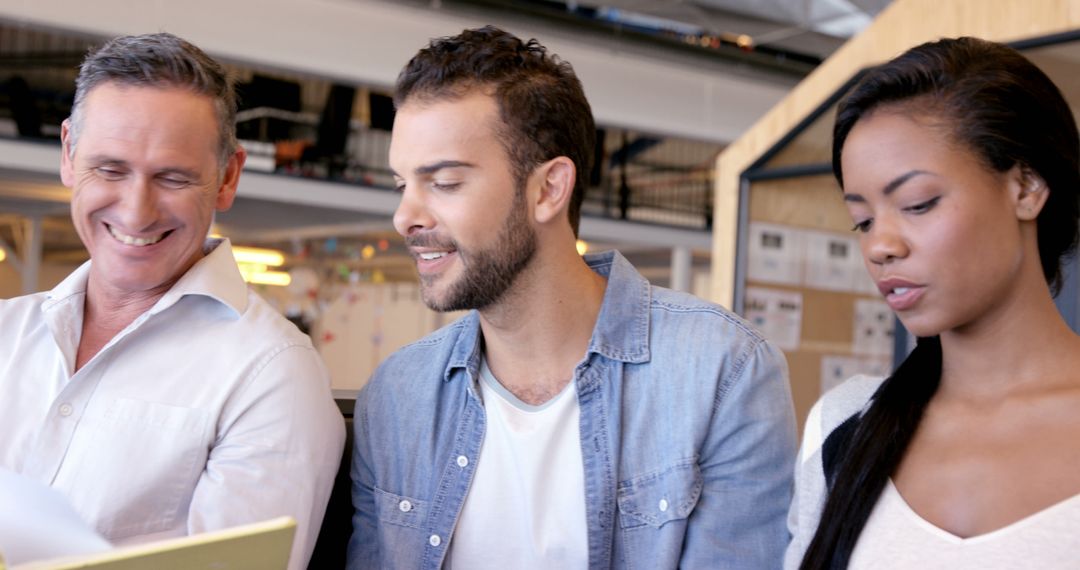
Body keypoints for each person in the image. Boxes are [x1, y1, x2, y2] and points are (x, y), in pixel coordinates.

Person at [348, 26, 796, 569]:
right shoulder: (396, 397)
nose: (405, 217)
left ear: (548, 189)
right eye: (402, 186)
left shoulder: (722, 373)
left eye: (443, 182)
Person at [0, 33, 344, 570]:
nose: (136, 212)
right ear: (69, 154)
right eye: (110, 169)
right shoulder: (6, 331)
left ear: (227, 177)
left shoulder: (272, 376)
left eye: (172, 177)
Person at [787, 37, 1080, 569]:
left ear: (1026, 185)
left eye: (917, 204)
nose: (879, 246)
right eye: (863, 219)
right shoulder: (845, 426)